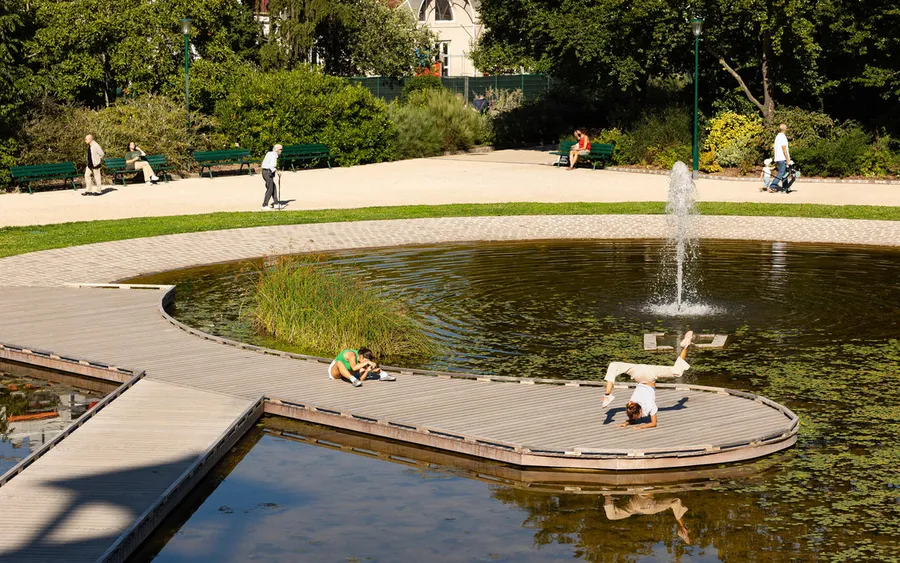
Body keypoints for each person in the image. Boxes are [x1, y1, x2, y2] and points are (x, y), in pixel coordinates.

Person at [601, 331, 694, 429]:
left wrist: (640, 427)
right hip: (640, 373)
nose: (637, 418)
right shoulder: (632, 404)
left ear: (640, 411)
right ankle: (607, 394)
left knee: (614, 365)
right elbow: (633, 415)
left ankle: (608, 394)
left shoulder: (650, 406)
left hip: (647, 376)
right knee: (614, 365)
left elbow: (653, 423)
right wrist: (627, 423)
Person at [604, 494, 691, 544]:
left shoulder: (632, 509)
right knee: (612, 516)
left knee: (675, 502)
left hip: (640, 506)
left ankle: (607, 497)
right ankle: (607, 497)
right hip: (640, 506)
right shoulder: (632, 509)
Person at [328, 347, 396, 387]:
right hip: (336, 372)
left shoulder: (362, 360)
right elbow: (354, 368)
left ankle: (383, 374)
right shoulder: (352, 355)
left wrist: (367, 370)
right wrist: (366, 362)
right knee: (339, 363)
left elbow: (362, 378)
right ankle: (353, 380)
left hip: (349, 372)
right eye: (365, 360)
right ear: (360, 356)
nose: (365, 362)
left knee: (370, 367)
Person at [768, 123, 791, 193]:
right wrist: (787, 158)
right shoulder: (783, 137)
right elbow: (784, 148)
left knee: (784, 173)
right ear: (785, 129)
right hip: (782, 157)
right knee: (781, 172)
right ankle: (772, 186)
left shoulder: (777, 136)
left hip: (778, 157)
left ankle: (785, 187)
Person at [260, 144, 284, 210]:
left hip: (264, 172)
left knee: (273, 187)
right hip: (268, 172)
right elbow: (271, 166)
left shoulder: (269, 153)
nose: (281, 151)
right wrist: (277, 172)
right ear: (277, 150)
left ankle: (276, 203)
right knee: (270, 188)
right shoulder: (274, 156)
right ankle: (264, 205)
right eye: (281, 149)